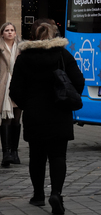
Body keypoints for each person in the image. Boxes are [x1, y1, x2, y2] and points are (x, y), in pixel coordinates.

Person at [9, 20, 84, 214]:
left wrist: (28, 104)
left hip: (35, 115)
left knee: (37, 156)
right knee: (58, 156)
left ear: (32, 36)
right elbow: (79, 81)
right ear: (53, 35)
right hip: (60, 113)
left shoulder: (24, 58)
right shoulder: (63, 55)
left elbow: (14, 90)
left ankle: (38, 195)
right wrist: (66, 99)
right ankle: (56, 193)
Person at [0, 22, 22, 167]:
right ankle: (6, 153)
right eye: (6, 30)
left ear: (15, 33)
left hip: (19, 86)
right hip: (3, 86)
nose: (9, 32)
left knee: (17, 119)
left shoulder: (21, 49)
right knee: (6, 119)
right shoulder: (0, 48)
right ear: (2, 34)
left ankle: (14, 152)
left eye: (12, 30)